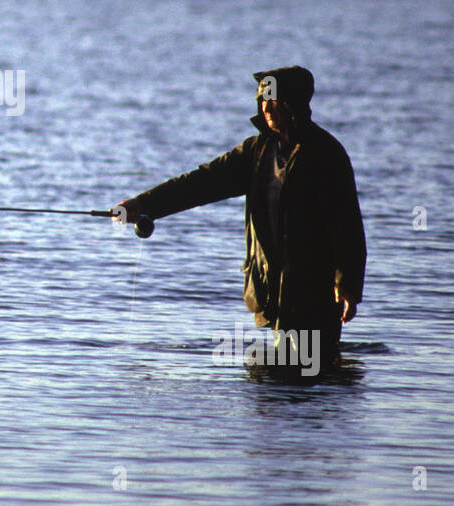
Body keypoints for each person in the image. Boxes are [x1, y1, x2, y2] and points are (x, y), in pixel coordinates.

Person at [116, 66, 365, 377]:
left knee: (306, 379)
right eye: (262, 100)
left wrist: (348, 285)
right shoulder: (257, 152)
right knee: (274, 386)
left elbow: (347, 225)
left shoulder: (326, 154)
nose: (267, 107)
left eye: (274, 99)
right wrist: (142, 205)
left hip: (314, 291)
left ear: (295, 102)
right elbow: (200, 183)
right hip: (270, 287)